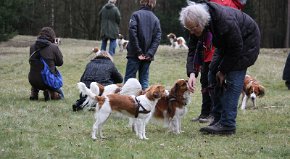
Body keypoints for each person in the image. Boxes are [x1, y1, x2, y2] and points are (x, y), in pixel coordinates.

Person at [179, 1, 260, 135]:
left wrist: (223, 71)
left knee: (233, 80)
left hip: (246, 42)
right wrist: (192, 73)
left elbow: (236, 48)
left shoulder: (224, 21)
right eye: (189, 30)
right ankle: (217, 119)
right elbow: (193, 49)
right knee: (212, 74)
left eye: (193, 29)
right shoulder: (195, 23)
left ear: (202, 22)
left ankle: (227, 124)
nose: (191, 32)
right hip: (225, 43)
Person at [190, 0, 245, 123]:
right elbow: (194, 44)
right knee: (206, 82)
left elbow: (231, 34)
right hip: (208, 51)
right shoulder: (205, 6)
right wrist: (192, 72)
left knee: (217, 84)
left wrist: (223, 68)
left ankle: (218, 117)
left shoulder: (226, 6)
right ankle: (207, 113)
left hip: (219, 50)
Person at [124, 0, 162, 90]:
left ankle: (126, 102)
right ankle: (144, 103)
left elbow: (132, 34)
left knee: (129, 81)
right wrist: (149, 53)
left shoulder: (135, 15)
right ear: (152, 4)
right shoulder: (155, 19)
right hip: (147, 56)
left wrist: (138, 52)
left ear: (142, 2)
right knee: (144, 82)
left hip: (134, 54)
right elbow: (157, 39)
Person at [28, 27, 64, 101]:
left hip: (32, 80)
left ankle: (34, 93)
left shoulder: (32, 47)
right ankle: (52, 93)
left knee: (38, 70)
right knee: (62, 96)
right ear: (52, 36)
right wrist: (56, 47)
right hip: (47, 80)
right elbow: (60, 63)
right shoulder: (53, 47)